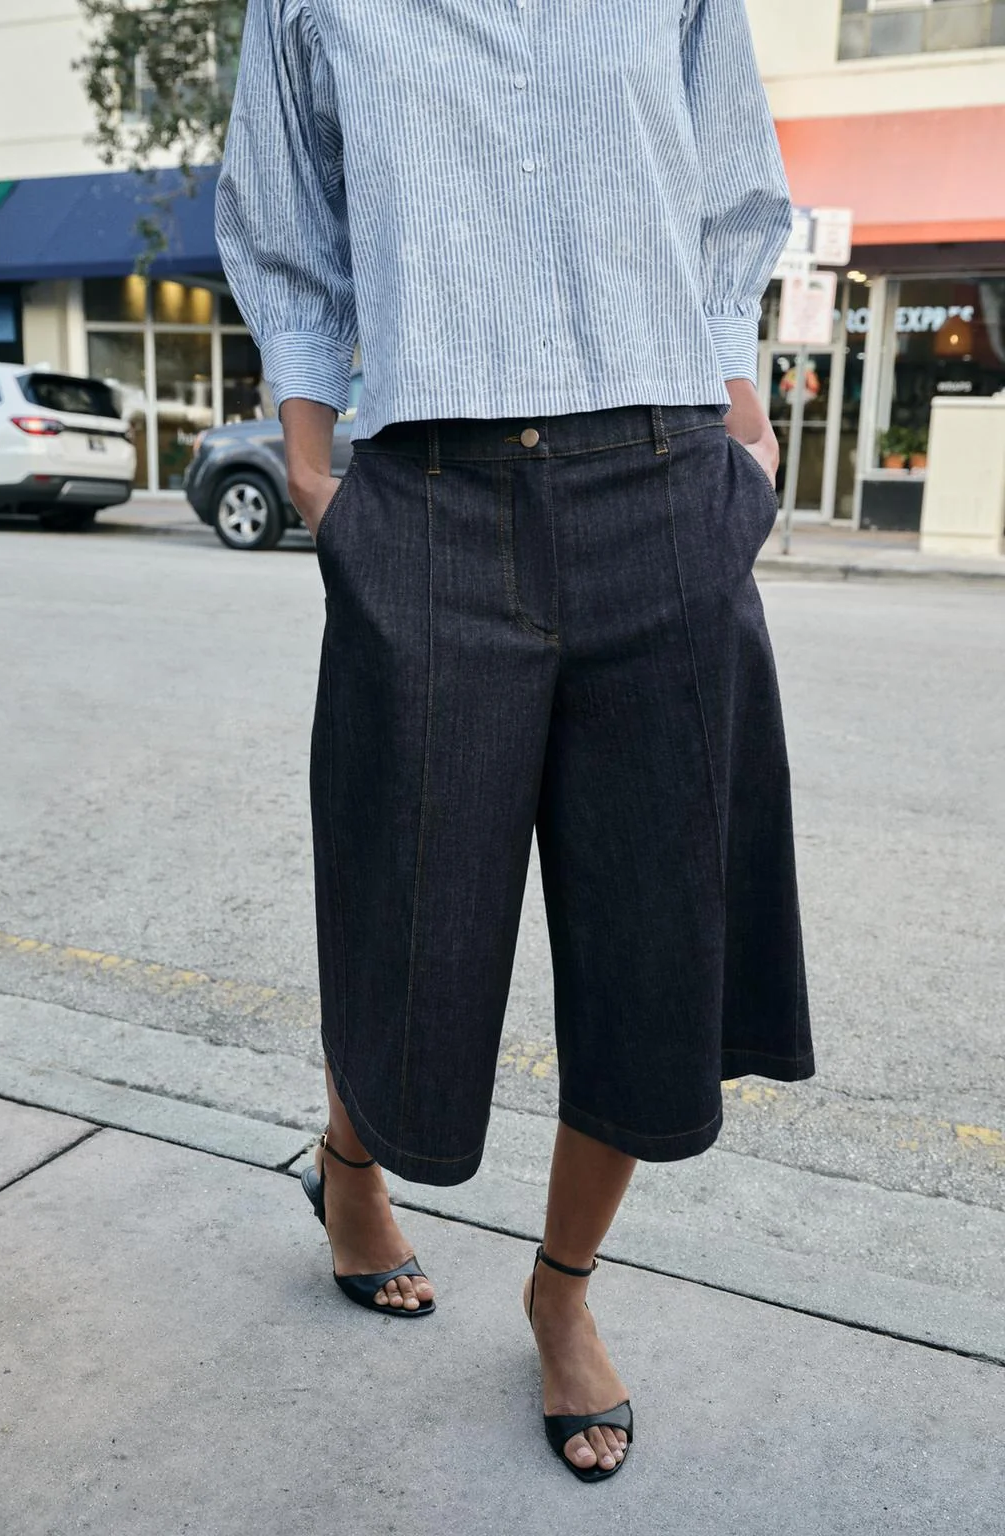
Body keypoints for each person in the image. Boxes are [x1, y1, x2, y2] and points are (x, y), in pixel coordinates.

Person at [216, 0, 815, 1483]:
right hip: (431, 492)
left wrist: (744, 439)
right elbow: (287, 227)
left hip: (665, 481)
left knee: (651, 952)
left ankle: (563, 1294)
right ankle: (351, 1173)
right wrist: (315, 473)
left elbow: (729, 200)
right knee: (410, 927)